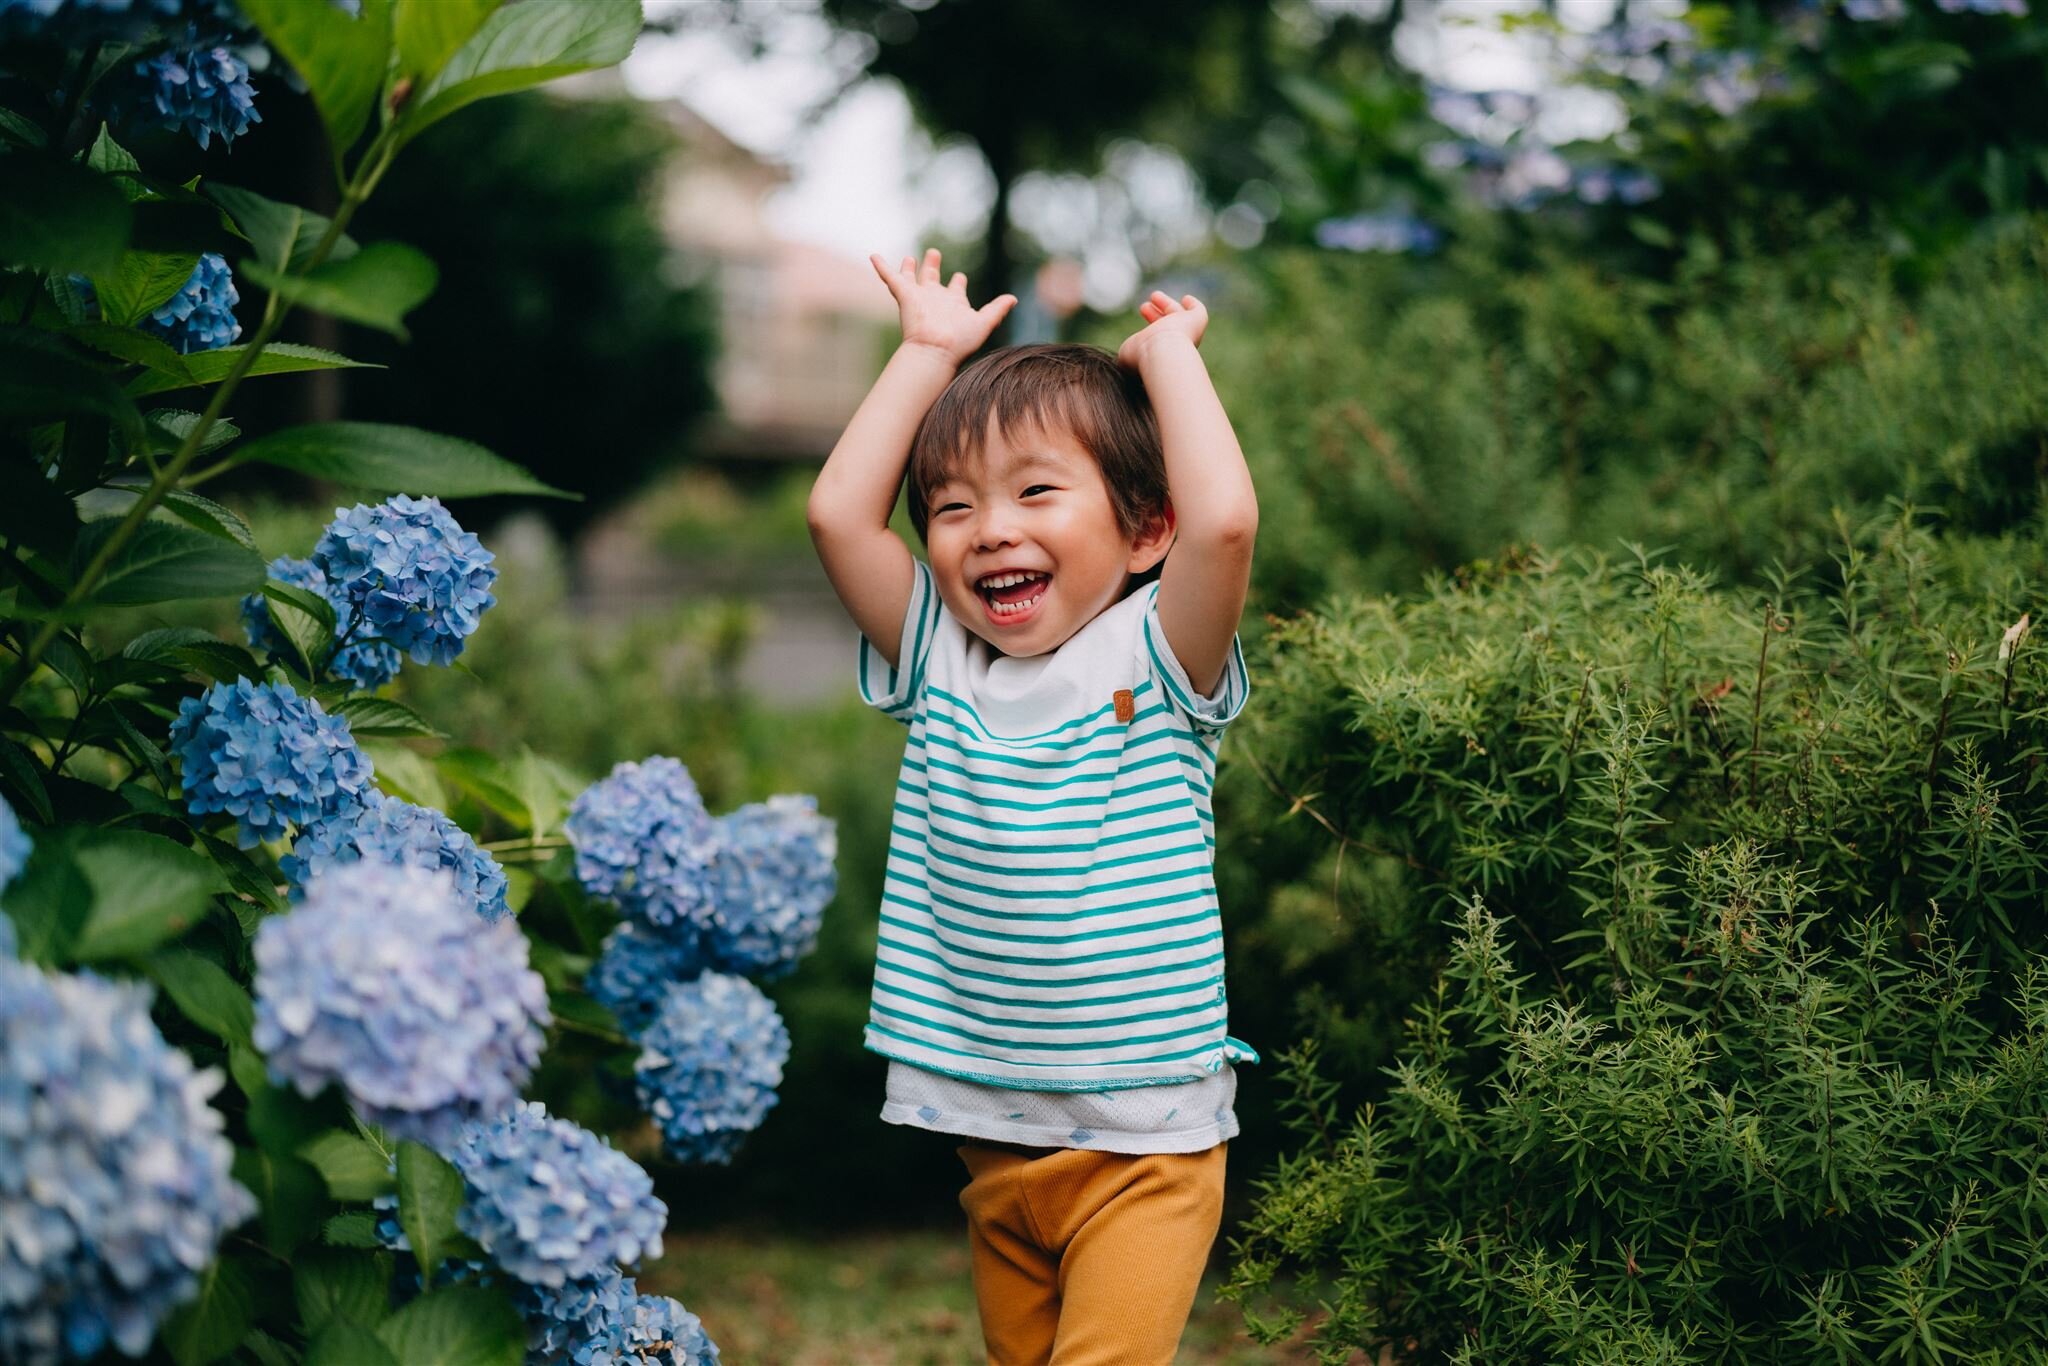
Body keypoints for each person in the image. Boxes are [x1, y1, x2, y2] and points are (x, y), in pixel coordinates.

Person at [807, 247, 1261, 1365]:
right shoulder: (939, 660)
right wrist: (922, 355)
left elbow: (1226, 525)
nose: (988, 529)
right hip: (991, 1140)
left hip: (1144, 1147)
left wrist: (1166, 366)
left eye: (1034, 492)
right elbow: (836, 517)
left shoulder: (1158, 658)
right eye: (951, 507)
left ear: (1143, 530)